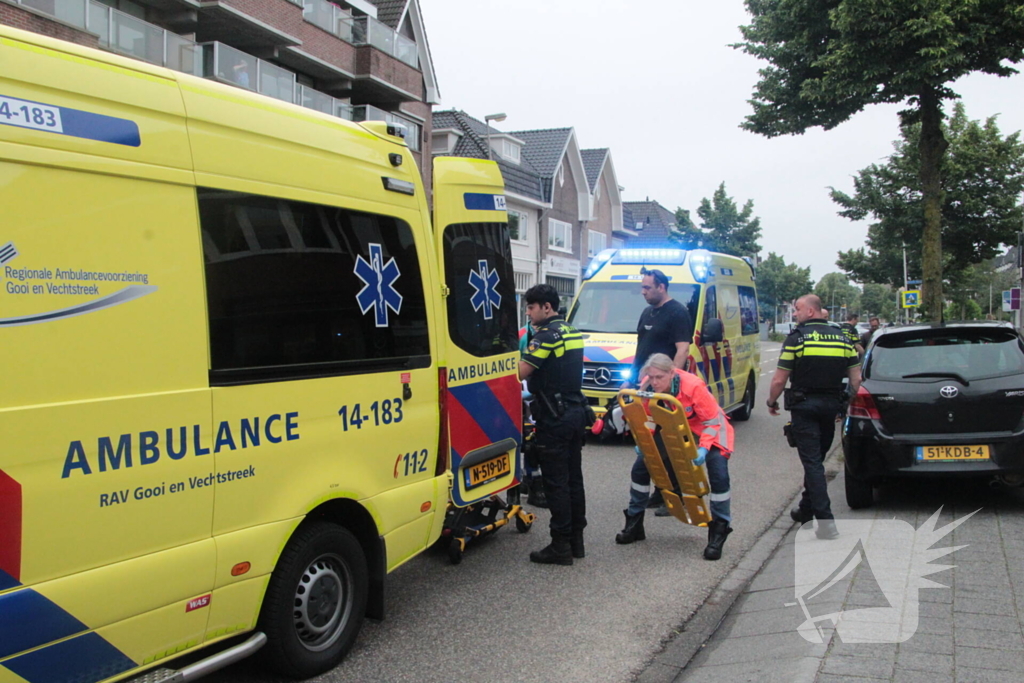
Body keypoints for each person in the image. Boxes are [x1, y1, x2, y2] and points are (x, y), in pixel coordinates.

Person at [615, 353, 735, 560]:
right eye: (651, 377)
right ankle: (634, 523)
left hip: (710, 429)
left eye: (659, 377)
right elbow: (648, 417)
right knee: (641, 468)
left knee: (719, 475)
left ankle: (718, 532)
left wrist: (704, 448)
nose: (654, 382)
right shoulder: (649, 386)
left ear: (672, 373)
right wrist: (645, 440)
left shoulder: (693, 386)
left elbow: (712, 422)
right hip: (678, 426)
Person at [766, 295, 860, 539]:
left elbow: (779, 379)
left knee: (812, 464)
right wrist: (845, 403)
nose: (794, 314)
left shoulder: (797, 338)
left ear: (810, 311)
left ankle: (826, 523)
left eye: (797, 309)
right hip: (831, 407)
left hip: (804, 407)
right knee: (816, 461)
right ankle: (805, 510)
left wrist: (771, 401)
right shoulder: (843, 338)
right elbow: (856, 379)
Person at [519, 284, 587, 565]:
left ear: (546, 307)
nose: (528, 313)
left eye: (531, 307)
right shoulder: (572, 331)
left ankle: (560, 546)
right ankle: (576, 542)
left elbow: (521, 371)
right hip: (575, 412)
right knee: (574, 480)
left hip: (554, 417)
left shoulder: (546, 336)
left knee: (556, 483)